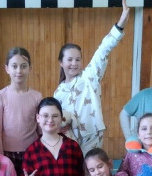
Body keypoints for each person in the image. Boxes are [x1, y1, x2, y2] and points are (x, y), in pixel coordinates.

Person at [54, 0, 131, 154]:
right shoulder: (58, 92)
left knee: (92, 168)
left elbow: (104, 49)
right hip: (70, 139)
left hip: (93, 135)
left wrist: (121, 22)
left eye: (78, 59)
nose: (74, 63)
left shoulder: (89, 76)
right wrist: (59, 127)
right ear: (61, 63)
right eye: (70, 60)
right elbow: (57, 118)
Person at [22, 97, 85, 176]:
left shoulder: (73, 147)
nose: (50, 120)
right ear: (38, 118)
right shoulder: (31, 152)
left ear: (61, 118)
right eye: (45, 116)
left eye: (55, 116)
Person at [0, 47, 43, 176]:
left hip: (32, 152)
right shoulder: (0, 96)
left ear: (30, 68)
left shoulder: (37, 97)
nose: (19, 71)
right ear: (7, 68)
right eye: (14, 66)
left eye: (23, 66)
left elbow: (40, 129)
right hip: (7, 153)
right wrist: (0, 156)